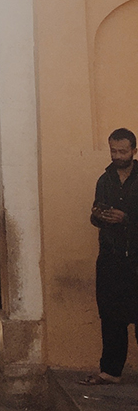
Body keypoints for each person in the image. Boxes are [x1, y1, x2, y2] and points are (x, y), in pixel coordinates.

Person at [83, 128, 138, 384]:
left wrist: (127, 219)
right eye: (113, 151)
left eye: (122, 151)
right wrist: (100, 216)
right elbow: (96, 213)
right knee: (111, 315)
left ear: (134, 151)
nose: (117, 156)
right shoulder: (104, 180)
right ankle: (111, 371)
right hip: (111, 258)